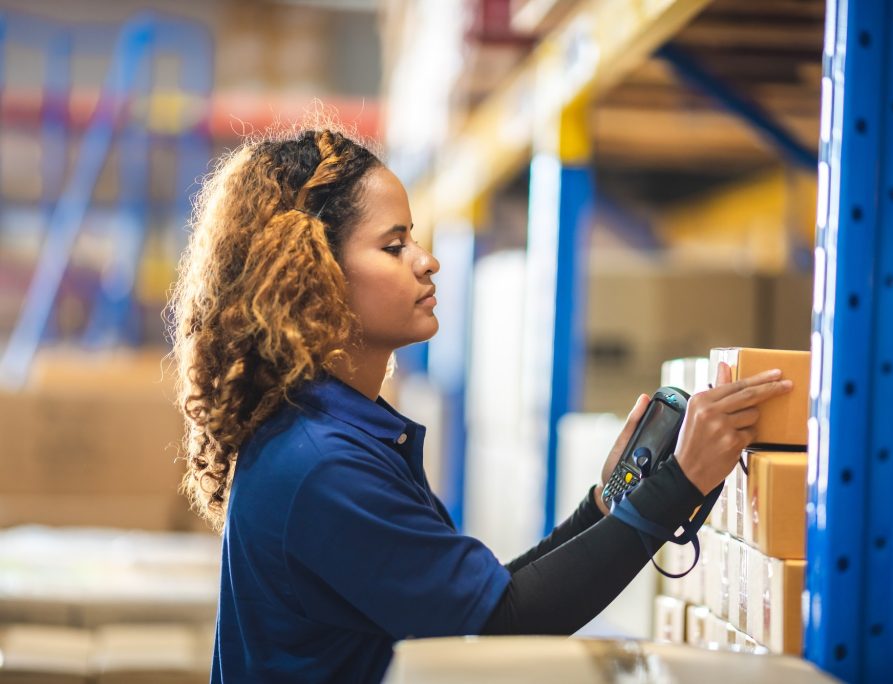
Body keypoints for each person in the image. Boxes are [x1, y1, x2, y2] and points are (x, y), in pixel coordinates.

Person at [168, 126, 792, 684]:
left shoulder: (332, 437)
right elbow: (500, 624)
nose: (427, 260)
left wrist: (603, 507)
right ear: (315, 274)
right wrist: (678, 484)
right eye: (393, 247)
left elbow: (478, 602)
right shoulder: (321, 465)